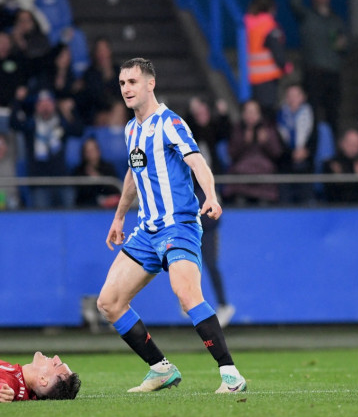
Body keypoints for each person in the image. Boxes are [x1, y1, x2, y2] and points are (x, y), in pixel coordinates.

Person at [96, 58, 246, 394]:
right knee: (108, 302)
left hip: (178, 226)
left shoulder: (170, 122)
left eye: (132, 82)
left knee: (186, 294)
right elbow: (134, 174)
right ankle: (160, 368)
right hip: (146, 231)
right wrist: (119, 216)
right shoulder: (131, 129)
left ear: (151, 83)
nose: (126, 89)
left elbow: (196, 160)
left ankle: (230, 374)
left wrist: (211, 195)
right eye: (122, 84)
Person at [186, 97, 235, 327]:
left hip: (206, 199)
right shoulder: (188, 137)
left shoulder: (211, 135)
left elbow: (223, 131)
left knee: (209, 261)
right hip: (192, 199)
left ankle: (223, 304)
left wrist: (223, 115)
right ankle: (189, 300)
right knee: (186, 260)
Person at [10, 87, 83, 208]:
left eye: (48, 104)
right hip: (39, 184)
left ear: (54, 106)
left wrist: (70, 111)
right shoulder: (31, 125)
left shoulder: (61, 124)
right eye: (41, 104)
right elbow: (13, 124)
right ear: (36, 107)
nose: (45, 107)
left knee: (70, 219)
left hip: (62, 182)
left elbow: (79, 130)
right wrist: (18, 101)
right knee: (43, 222)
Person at [290, 0, 347, 135]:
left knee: (333, 114)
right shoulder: (307, 16)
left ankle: (331, 152)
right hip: (313, 72)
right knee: (311, 113)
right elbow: (294, 3)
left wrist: (343, 45)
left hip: (333, 72)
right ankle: (312, 150)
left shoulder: (336, 20)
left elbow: (343, 48)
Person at [223, 99, 284, 205]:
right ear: (243, 114)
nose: (250, 115)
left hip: (264, 180)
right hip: (242, 179)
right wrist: (243, 142)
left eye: (254, 112)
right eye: (248, 112)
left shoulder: (268, 128)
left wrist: (266, 142)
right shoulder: (238, 129)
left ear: (259, 114)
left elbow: (277, 153)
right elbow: (231, 154)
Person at [244, 0, 288, 121]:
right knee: (268, 115)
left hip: (252, 77)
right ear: (271, 9)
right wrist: (285, 67)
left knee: (256, 115)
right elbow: (278, 53)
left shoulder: (247, 25)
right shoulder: (269, 26)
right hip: (268, 78)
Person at [277, 83, 317, 203]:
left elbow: (314, 140)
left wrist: (306, 152)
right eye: (290, 95)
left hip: (306, 163)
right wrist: (291, 154)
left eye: (296, 95)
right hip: (285, 162)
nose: (293, 98)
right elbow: (278, 143)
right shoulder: (279, 117)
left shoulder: (311, 115)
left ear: (303, 97)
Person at [322, 128, 358, 203]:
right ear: (342, 143)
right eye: (350, 143)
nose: (353, 147)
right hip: (336, 209)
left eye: (357, 144)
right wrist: (338, 179)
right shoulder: (331, 164)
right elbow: (329, 194)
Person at [72, 137, 121, 209]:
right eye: (87, 151)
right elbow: (79, 196)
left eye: (92, 150)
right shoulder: (79, 170)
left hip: (109, 209)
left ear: (98, 151)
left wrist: (98, 178)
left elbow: (115, 190)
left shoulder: (108, 168)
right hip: (87, 208)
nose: (90, 154)